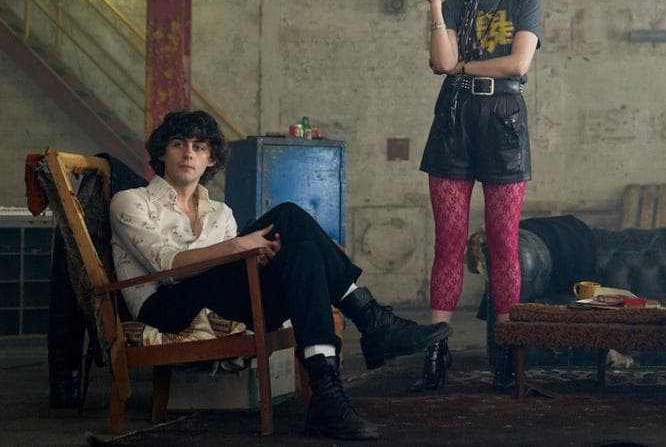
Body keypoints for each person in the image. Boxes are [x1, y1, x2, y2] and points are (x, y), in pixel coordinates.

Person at [110, 110, 450, 441]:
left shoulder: (220, 212)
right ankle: (372, 319)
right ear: (161, 152)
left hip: (214, 300)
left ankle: (327, 395)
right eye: (179, 144)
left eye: (199, 147)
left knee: (300, 255)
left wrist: (255, 259)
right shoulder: (131, 201)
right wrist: (240, 246)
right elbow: (167, 269)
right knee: (287, 215)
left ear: (211, 159)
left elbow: (224, 276)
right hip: (165, 307)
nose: (188, 153)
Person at [411, 0, 540, 391]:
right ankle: (438, 351)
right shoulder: (454, 6)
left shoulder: (524, 4)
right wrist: (434, 8)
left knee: (504, 243)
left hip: (503, 118)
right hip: (454, 118)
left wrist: (462, 65)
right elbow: (439, 63)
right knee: (448, 241)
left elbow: (517, 63)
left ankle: (506, 351)